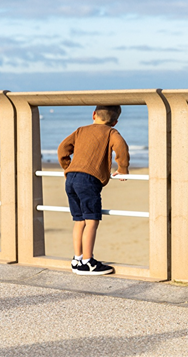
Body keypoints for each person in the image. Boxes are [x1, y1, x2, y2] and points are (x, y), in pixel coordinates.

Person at [57, 105, 130, 275]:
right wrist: (123, 168)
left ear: (94, 114)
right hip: (88, 180)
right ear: (115, 122)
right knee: (92, 220)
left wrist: (68, 167)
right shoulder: (112, 133)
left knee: (79, 220)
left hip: (71, 179)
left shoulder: (81, 130)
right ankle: (88, 261)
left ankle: (77, 259)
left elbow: (62, 149)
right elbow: (121, 148)